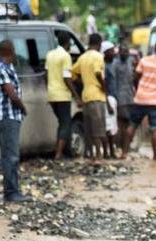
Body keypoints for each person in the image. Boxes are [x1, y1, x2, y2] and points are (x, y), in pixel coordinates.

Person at [0, 40, 27, 203]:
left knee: (12, 155)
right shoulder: (2, 68)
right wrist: (23, 107)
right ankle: (11, 192)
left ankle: (14, 190)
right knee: (11, 156)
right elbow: (11, 94)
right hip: (7, 116)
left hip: (10, 116)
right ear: (10, 51)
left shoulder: (5, 66)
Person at [72, 33, 109, 163]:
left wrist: (82, 81)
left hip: (86, 96)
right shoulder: (98, 56)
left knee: (89, 128)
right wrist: (103, 86)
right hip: (97, 96)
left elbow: (73, 74)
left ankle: (89, 154)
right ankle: (98, 155)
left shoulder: (82, 58)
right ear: (99, 44)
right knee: (98, 129)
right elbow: (98, 72)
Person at [46, 31, 82, 160]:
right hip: (62, 95)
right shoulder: (65, 56)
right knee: (65, 123)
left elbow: (46, 75)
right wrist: (76, 96)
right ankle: (58, 154)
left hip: (52, 95)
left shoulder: (50, 55)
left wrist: (49, 90)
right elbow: (67, 78)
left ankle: (62, 151)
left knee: (62, 123)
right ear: (68, 43)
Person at [112, 45, 135, 149]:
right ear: (119, 53)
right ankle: (120, 146)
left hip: (130, 97)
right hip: (120, 98)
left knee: (128, 123)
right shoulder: (115, 65)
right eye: (123, 52)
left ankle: (125, 147)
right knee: (121, 123)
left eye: (127, 52)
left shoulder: (131, 62)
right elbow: (114, 82)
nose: (125, 54)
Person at [101, 41, 119, 158]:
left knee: (112, 126)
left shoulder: (112, 65)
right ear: (106, 53)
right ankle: (108, 152)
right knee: (108, 126)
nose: (114, 53)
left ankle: (111, 151)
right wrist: (107, 102)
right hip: (108, 98)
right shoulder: (104, 67)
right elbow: (103, 85)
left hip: (113, 97)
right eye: (112, 51)